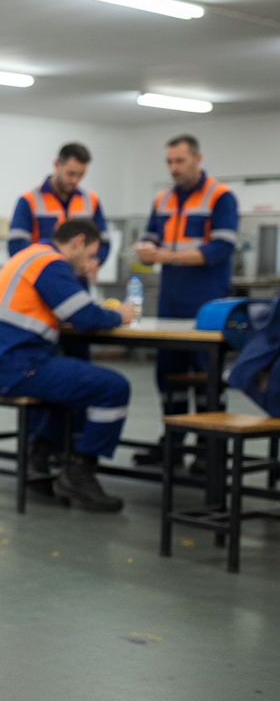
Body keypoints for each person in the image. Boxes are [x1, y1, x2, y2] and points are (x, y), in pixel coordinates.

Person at [0, 219, 134, 512]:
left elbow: (68, 308)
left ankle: (40, 458)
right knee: (114, 387)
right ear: (77, 242)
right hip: (17, 366)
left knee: (70, 386)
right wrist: (121, 314)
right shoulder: (51, 264)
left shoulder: (30, 256)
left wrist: (80, 277)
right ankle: (80, 472)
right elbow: (85, 318)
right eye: (90, 255)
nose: (91, 262)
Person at [133, 134, 239, 466]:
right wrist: (146, 251)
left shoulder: (220, 197)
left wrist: (168, 255)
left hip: (206, 301)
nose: (174, 168)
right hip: (170, 301)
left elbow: (220, 249)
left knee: (206, 374)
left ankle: (211, 447)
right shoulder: (162, 199)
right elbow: (151, 235)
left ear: (197, 158)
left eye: (180, 161)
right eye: (169, 162)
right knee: (168, 373)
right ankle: (173, 440)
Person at [8, 142, 109, 275]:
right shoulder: (29, 200)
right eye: (71, 174)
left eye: (80, 175)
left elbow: (104, 241)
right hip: (42, 278)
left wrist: (95, 261)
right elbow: (16, 245)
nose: (75, 180)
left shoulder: (91, 200)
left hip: (77, 279)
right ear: (57, 165)